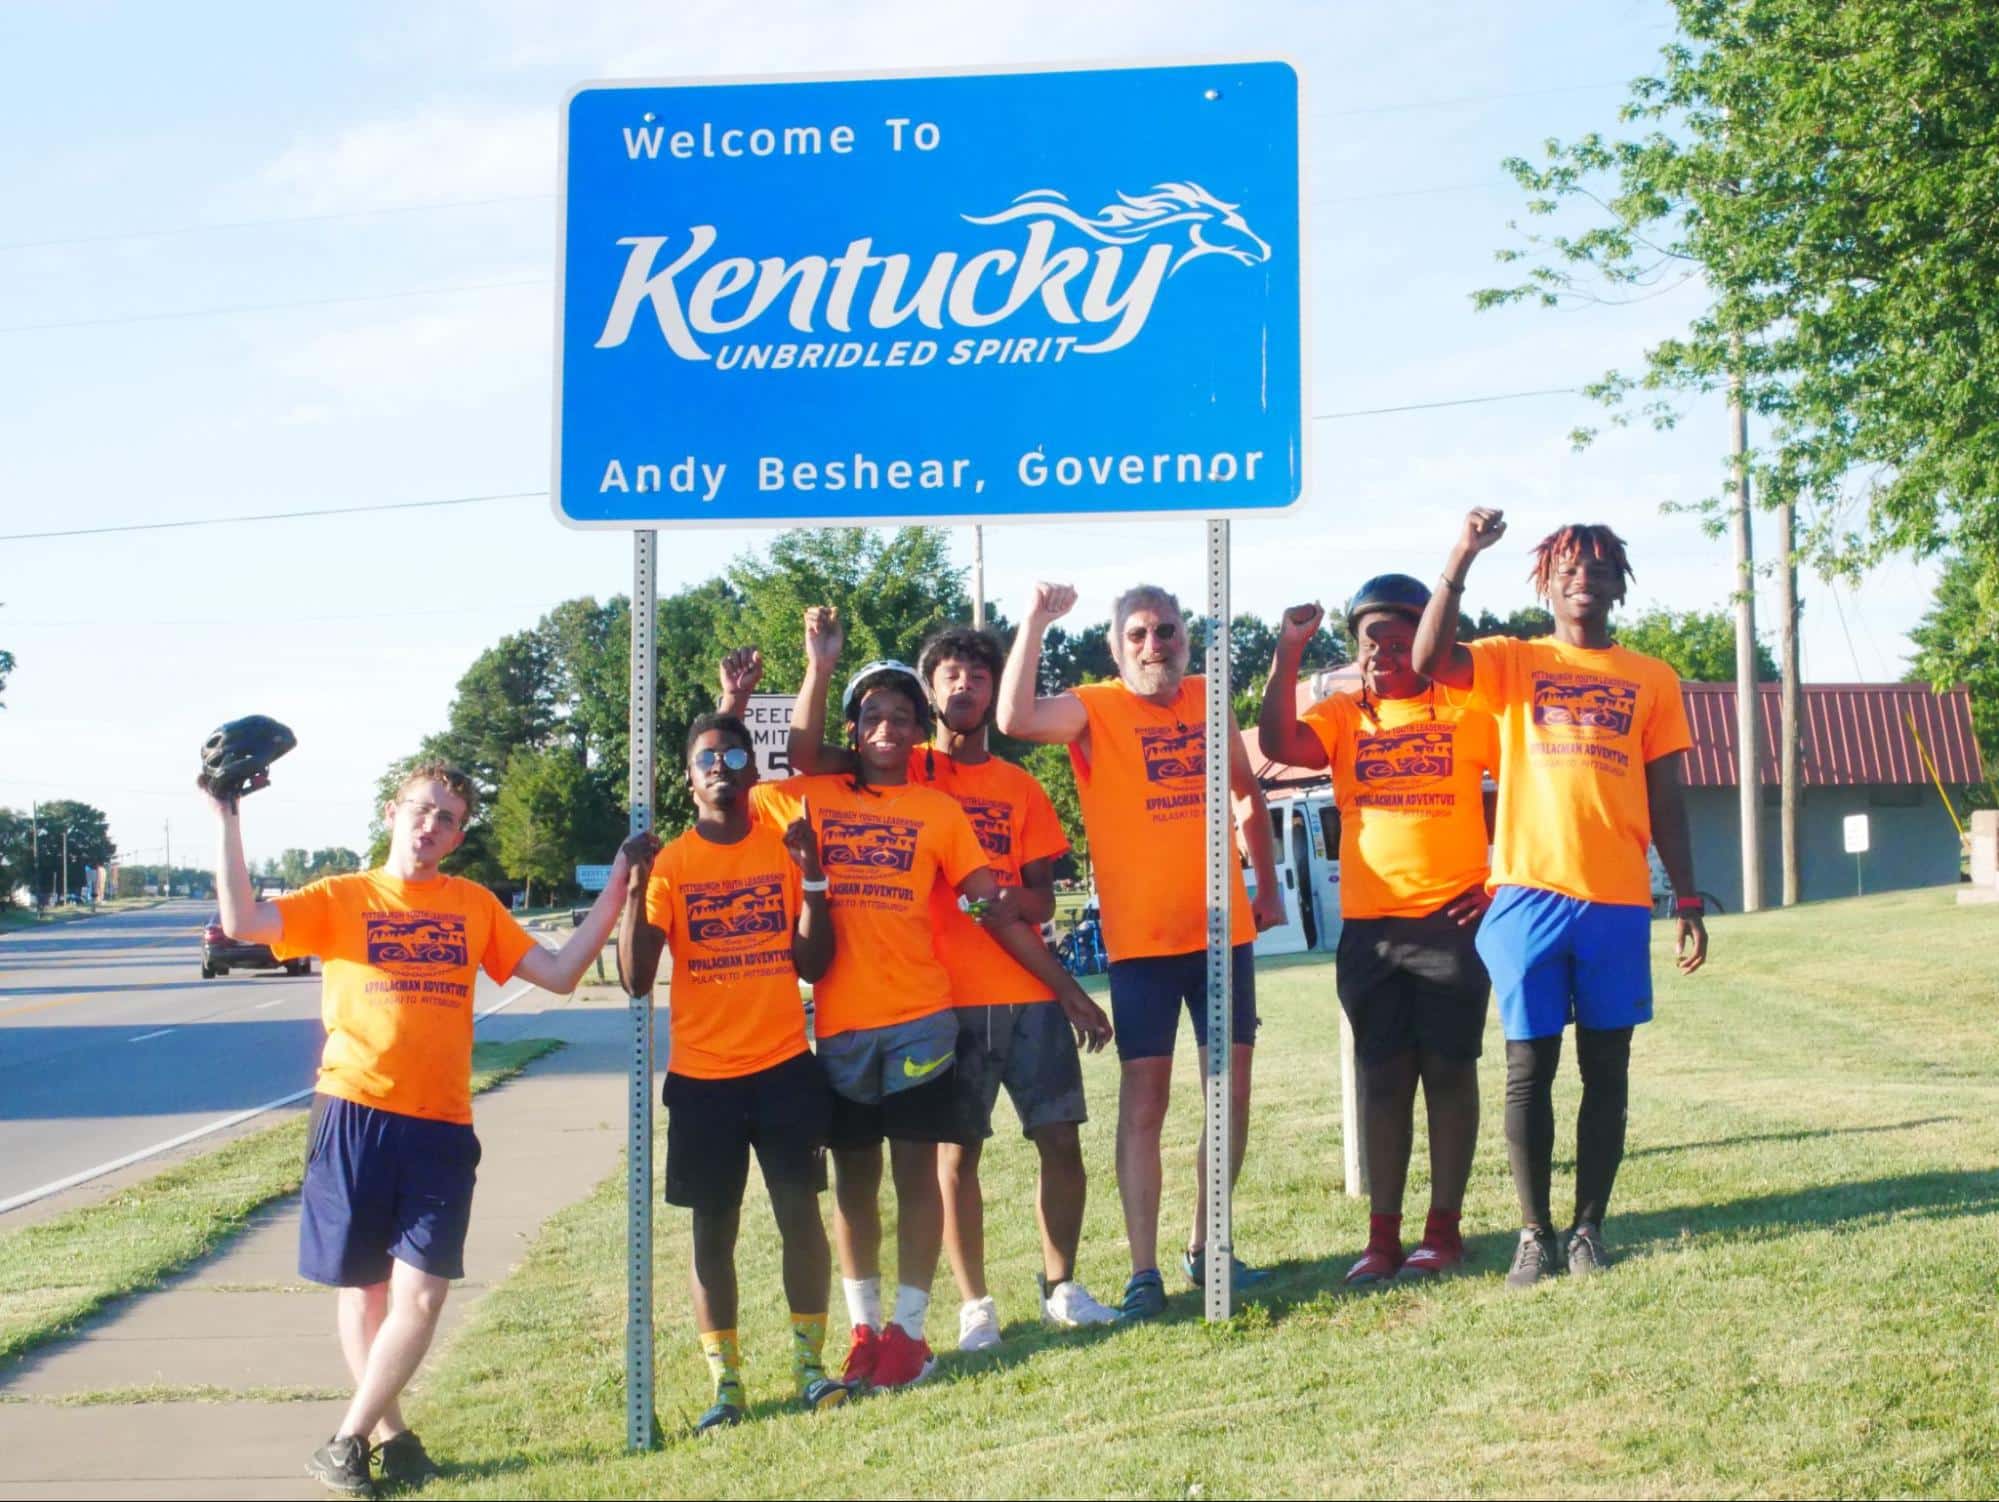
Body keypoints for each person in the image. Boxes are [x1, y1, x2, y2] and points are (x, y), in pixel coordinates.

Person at [207, 760, 633, 1497]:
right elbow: (244, 922)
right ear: (390, 812)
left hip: (440, 1124)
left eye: (449, 818)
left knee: (425, 1294)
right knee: (364, 1292)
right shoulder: (342, 896)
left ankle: (344, 1441)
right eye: (422, 809)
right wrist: (226, 814)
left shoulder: (471, 905)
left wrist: (620, 884)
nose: (432, 825)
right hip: (354, 1112)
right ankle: (394, 1436)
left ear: (459, 836)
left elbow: (561, 972)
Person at [732, 613, 1118, 1353]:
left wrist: (1061, 975)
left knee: (1050, 1140)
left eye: (979, 674)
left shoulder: (976, 796)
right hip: (900, 1010)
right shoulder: (873, 774)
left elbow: (1017, 900)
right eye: (949, 676)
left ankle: (1043, 1290)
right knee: (922, 1165)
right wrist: (815, 665)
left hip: (981, 1001)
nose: (887, 728)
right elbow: (788, 758)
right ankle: (949, 1310)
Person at [1411, 510, 1709, 1287]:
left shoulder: (1651, 677)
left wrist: (1685, 899)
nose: (1586, 579)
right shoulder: (1512, 661)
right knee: (1527, 1069)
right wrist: (1461, 553)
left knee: (1605, 1070)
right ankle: (1532, 1232)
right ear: (1546, 581)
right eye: (1570, 567)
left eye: (1601, 567)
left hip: (1613, 900)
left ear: (1619, 584)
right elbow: (1427, 657)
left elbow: (1667, 797)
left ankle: (1587, 1230)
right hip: (1527, 896)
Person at [997, 583, 1285, 1321]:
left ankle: (1207, 1248)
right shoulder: (1093, 707)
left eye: (1165, 633)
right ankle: (1143, 1269)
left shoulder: (1205, 698)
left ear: (1185, 638)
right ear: (1115, 646)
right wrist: (1034, 620)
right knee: (1145, 1106)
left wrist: (1269, 884)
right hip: (1143, 945)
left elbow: (1247, 794)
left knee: (1230, 1097)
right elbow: (1015, 717)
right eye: (1137, 636)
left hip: (1224, 935)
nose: (1153, 647)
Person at [1257, 577, 1498, 1284]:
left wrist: (1499, 879)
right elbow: (1278, 742)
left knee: (1450, 1074)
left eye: (1401, 641)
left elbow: (1521, 786)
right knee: (1382, 1080)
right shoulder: (1341, 716)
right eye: (1373, 642)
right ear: (1355, 649)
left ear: (1429, 643)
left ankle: (1443, 1230)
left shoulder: (1465, 709)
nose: (1386, 654)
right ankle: (1382, 1238)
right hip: (1370, 931)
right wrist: (1285, 653)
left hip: (1450, 922)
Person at [616, 714, 850, 1435]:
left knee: (798, 1217)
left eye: (734, 754)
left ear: (754, 773)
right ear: (689, 782)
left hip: (782, 1067)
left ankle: (810, 1367)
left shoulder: (782, 850)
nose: (721, 764)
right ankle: (728, 1386)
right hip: (703, 1080)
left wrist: (811, 876)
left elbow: (812, 964)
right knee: (710, 1237)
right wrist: (635, 887)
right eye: (706, 757)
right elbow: (633, 978)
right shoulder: (674, 864)